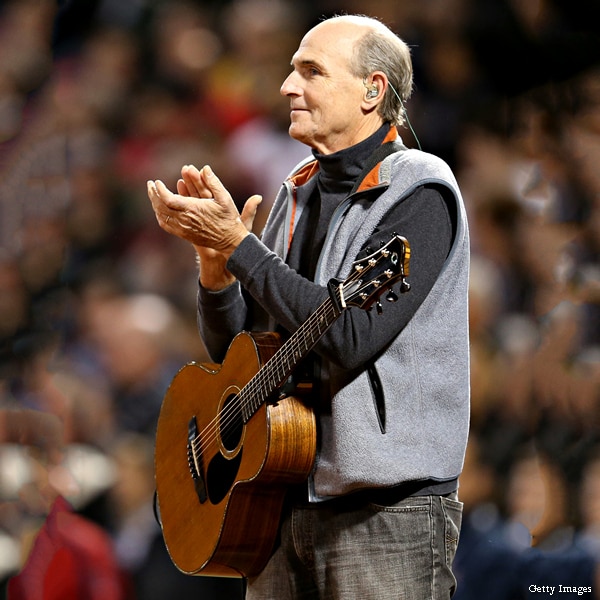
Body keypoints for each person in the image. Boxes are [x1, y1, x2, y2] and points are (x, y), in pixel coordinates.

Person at [147, 14, 470, 599]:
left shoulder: (419, 189)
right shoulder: (295, 191)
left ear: (373, 90)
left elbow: (349, 337)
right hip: (279, 497)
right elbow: (245, 355)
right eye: (292, 70)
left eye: (311, 71)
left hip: (383, 516)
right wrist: (217, 274)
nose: (286, 87)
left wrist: (242, 248)